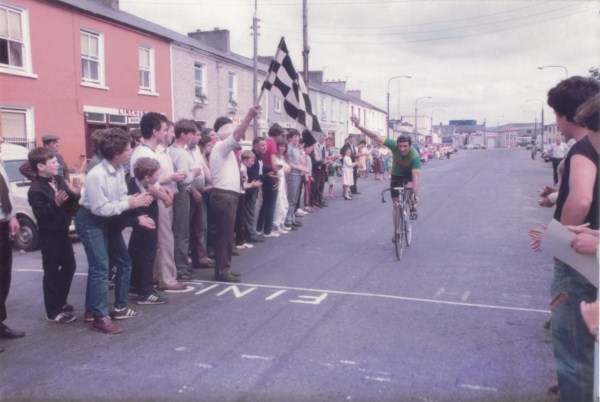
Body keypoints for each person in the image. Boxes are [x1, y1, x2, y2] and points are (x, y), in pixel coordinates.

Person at [546, 81, 599, 401]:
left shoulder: (583, 147)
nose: (556, 121)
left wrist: (559, 241)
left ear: (569, 115)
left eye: (556, 113)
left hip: (580, 259)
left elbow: (580, 201)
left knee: (574, 349)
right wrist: (554, 196)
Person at [76, 128, 152, 334]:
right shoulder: (97, 175)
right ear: (117, 152)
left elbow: (119, 199)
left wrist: (132, 203)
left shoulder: (118, 169)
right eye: (128, 148)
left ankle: (113, 307)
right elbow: (100, 208)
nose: (131, 151)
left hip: (107, 219)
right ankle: (100, 317)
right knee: (100, 268)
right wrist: (129, 203)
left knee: (123, 262)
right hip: (91, 220)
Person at [26, 147, 81, 323]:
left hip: (63, 232)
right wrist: (55, 203)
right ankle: (53, 312)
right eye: (54, 162)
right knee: (51, 272)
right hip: (49, 235)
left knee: (69, 267)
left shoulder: (58, 180)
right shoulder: (35, 190)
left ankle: (61, 301)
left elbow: (71, 209)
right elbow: (41, 217)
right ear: (41, 166)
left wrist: (75, 195)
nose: (58, 165)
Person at [209, 105, 260, 283]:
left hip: (227, 195)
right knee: (224, 236)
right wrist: (249, 116)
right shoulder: (221, 147)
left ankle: (224, 268)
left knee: (227, 235)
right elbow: (236, 135)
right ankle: (222, 271)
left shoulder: (226, 150)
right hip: (224, 196)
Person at [351, 116, 421, 227]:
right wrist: (359, 126)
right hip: (396, 175)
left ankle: (412, 206)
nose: (402, 149)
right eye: (400, 146)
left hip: (408, 175)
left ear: (410, 145)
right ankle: (397, 231)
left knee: (410, 190)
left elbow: (416, 177)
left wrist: (416, 194)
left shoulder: (414, 156)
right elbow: (375, 136)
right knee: (396, 204)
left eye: (405, 146)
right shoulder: (393, 146)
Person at [127, 157, 168, 305]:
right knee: (145, 256)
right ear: (147, 177)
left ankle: (134, 285)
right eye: (157, 174)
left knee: (138, 254)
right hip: (144, 226)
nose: (158, 176)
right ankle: (146, 292)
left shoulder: (139, 183)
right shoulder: (133, 187)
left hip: (145, 225)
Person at [153, 121, 187, 291]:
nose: (171, 134)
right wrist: (171, 177)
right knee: (165, 239)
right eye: (169, 131)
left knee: (166, 238)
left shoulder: (165, 152)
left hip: (169, 196)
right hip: (161, 197)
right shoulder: (155, 153)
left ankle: (159, 275)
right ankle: (167, 278)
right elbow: (151, 180)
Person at [169, 119, 203, 280]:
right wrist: (194, 173)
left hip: (180, 193)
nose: (192, 137)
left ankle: (181, 265)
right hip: (182, 193)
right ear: (183, 135)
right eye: (190, 134)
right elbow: (183, 179)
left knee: (181, 231)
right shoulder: (181, 153)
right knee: (181, 232)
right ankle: (181, 268)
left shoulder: (173, 150)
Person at [0, 136, 25, 351]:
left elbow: (5, 190)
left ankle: (0, 324)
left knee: (3, 275)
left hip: (3, 222)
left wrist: (12, 216)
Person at [257, 123, 284, 237]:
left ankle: (259, 228)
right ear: (277, 134)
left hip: (263, 172)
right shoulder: (272, 144)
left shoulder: (265, 142)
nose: (281, 137)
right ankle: (268, 231)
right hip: (271, 173)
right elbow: (274, 165)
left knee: (264, 204)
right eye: (281, 135)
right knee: (271, 203)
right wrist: (278, 175)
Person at [284, 129, 306, 231]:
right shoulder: (289, 148)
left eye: (298, 137)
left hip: (297, 174)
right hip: (292, 174)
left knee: (295, 199)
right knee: (291, 198)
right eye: (295, 137)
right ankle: (288, 220)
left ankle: (291, 218)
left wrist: (302, 168)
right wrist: (300, 168)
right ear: (290, 138)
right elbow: (288, 163)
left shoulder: (296, 148)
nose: (297, 139)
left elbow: (297, 162)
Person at [244, 137, 265, 243]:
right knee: (250, 211)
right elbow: (252, 175)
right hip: (251, 188)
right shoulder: (253, 157)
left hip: (255, 186)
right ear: (255, 146)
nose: (265, 148)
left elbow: (259, 173)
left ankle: (250, 232)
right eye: (262, 145)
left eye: (265, 145)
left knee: (252, 211)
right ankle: (250, 234)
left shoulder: (259, 157)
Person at [273, 138, 291, 235]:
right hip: (278, 181)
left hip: (283, 182)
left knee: (285, 204)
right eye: (281, 146)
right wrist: (283, 168)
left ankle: (281, 223)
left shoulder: (282, 158)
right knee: (278, 205)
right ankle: (276, 225)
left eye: (284, 146)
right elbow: (280, 169)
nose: (283, 148)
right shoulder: (275, 157)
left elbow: (288, 169)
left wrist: (283, 168)